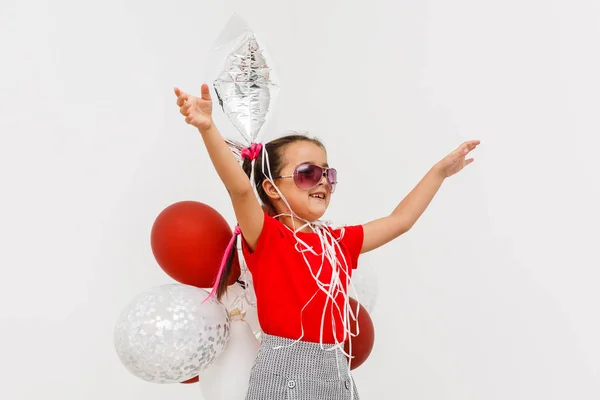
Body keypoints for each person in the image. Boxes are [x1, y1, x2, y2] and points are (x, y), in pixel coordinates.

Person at [174, 84, 480, 400]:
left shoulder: (338, 242)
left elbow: (400, 221)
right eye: (307, 173)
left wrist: (438, 173)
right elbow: (239, 189)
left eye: (327, 174)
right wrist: (208, 128)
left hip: (335, 374)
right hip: (283, 375)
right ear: (272, 188)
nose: (322, 181)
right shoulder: (267, 236)